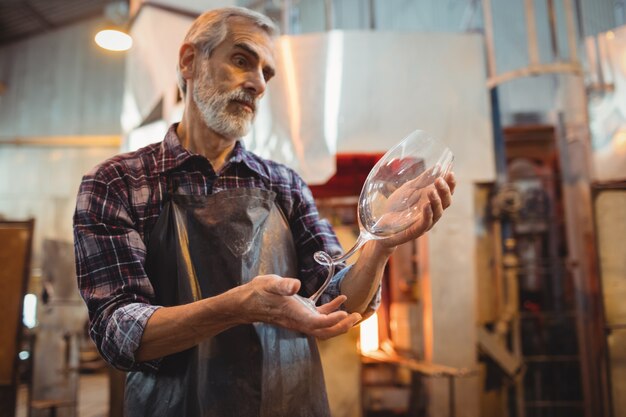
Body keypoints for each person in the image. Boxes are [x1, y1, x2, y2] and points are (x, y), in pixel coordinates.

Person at [73, 6, 456, 417]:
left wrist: (380, 245)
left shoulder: (283, 185)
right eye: (241, 60)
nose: (257, 83)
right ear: (189, 61)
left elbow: (338, 301)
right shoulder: (117, 183)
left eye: (267, 74)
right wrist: (238, 306)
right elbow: (119, 332)